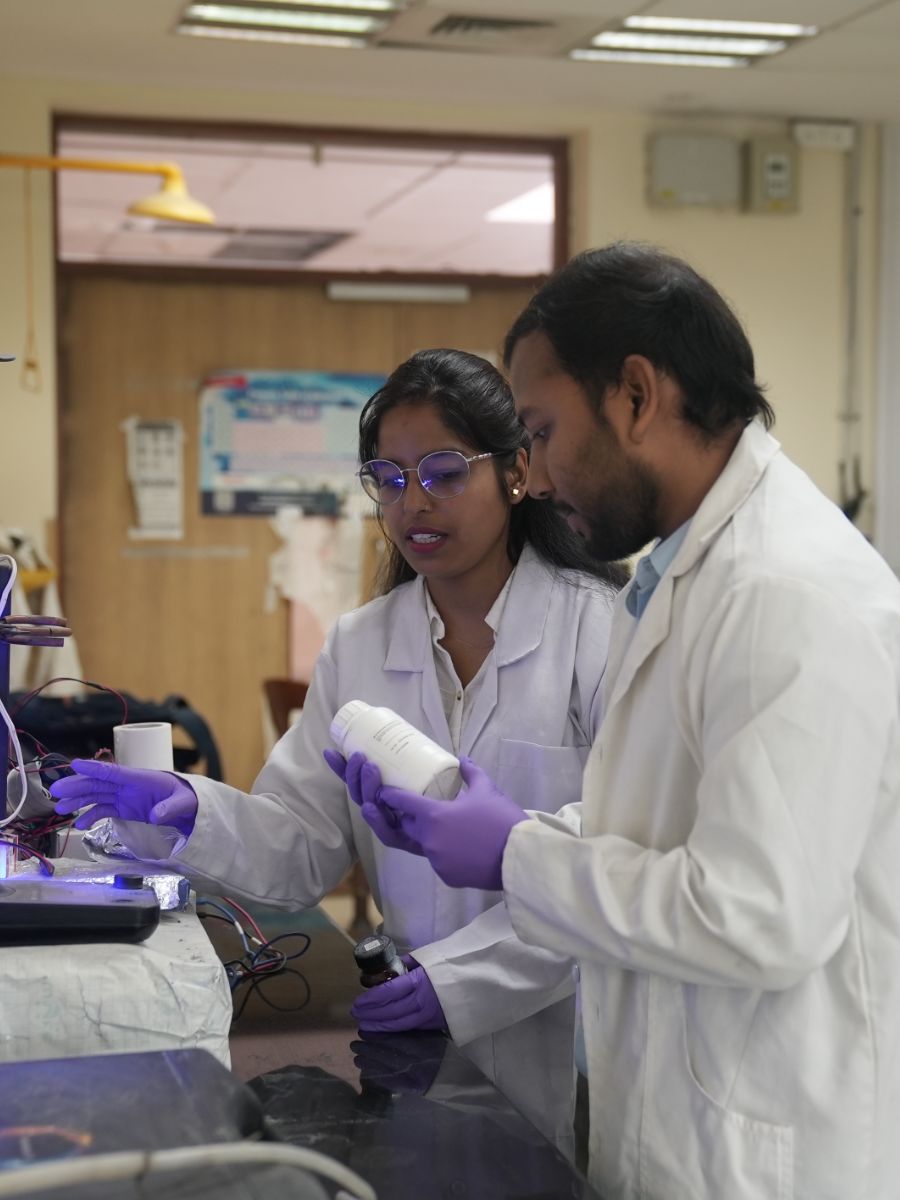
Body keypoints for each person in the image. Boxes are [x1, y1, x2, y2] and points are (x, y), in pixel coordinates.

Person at [349, 244, 900, 1200]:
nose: (534, 475)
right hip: (678, 1121)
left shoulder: (783, 592)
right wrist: (506, 832)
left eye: (543, 430)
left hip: (763, 1156)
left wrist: (516, 854)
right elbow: (658, 830)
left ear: (637, 397)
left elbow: (757, 917)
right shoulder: (687, 574)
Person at [51, 347, 625, 1151]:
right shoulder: (361, 645)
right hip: (411, 1037)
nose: (413, 502)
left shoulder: (601, 630)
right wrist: (190, 810)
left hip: (574, 1036)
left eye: (443, 472)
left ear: (517, 472)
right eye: (388, 479)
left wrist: (460, 983)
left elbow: (612, 858)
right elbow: (301, 841)